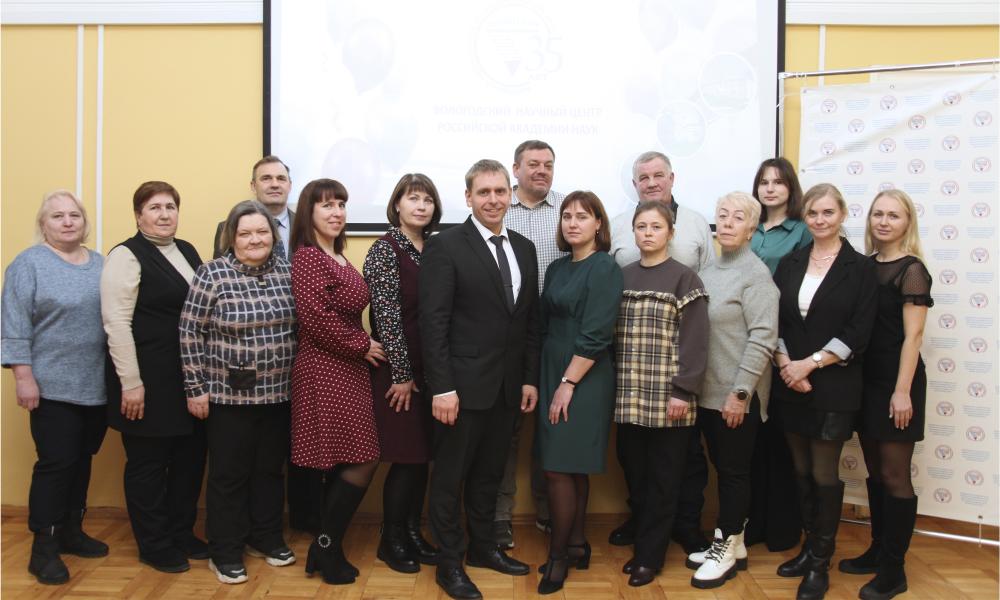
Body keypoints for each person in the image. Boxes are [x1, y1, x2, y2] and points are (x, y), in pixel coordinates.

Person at [419, 159, 540, 600]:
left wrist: (528, 379)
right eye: (483, 192)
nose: (493, 200)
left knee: (490, 475)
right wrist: (442, 388)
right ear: (468, 197)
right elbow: (433, 323)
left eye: (500, 191)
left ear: (510, 194)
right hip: (460, 390)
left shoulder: (524, 247)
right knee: (450, 479)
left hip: (507, 389)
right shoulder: (446, 246)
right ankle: (450, 563)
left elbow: (528, 321)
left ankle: (483, 548)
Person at [180, 200, 298, 585]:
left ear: (274, 235)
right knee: (229, 476)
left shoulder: (287, 271)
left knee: (269, 472)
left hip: (279, 394)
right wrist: (195, 388)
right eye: (245, 233)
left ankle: (265, 537)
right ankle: (225, 550)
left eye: (262, 232)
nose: (255, 239)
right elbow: (189, 332)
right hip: (229, 398)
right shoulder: (212, 273)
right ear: (231, 238)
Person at [771, 183, 878, 600]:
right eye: (813, 213)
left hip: (834, 385)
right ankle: (808, 547)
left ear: (842, 214)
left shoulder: (860, 268)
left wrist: (810, 364)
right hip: (790, 383)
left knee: (822, 474)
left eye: (828, 212)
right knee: (799, 472)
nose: (820, 220)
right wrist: (787, 365)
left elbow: (859, 331)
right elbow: (776, 319)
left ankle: (820, 563)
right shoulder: (791, 262)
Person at [608, 151, 713, 556]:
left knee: (669, 473)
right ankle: (644, 528)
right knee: (634, 466)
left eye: (656, 227)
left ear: (671, 233)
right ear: (632, 232)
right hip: (629, 394)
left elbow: (695, 340)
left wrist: (684, 390)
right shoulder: (622, 276)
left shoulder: (686, 278)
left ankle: (650, 555)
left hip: (669, 395)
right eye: (641, 227)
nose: (648, 233)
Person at [1, 190, 109, 585]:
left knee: (82, 461)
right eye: (57, 216)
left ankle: (71, 532)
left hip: (96, 385)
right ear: (43, 224)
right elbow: (14, 323)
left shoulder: (101, 264)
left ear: (84, 222)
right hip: (50, 387)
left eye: (74, 215)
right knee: (56, 464)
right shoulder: (28, 264)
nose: (67, 222)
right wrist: (23, 376)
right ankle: (43, 548)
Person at [101, 181, 207, 574]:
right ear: (138, 215)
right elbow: (116, 323)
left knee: (189, 461)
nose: (164, 215)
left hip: (188, 378)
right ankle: (154, 544)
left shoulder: (188, 250)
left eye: (170, 207)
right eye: (154, 207)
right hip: (146, 380)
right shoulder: (125, 256)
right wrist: (131, 383)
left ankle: (181, 533)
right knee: (148, 464)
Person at [212, 156, 318, 534]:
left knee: (280, 459)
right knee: (237, 465)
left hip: (291, 368)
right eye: (266, 178)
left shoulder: (304, 230)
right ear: (253, 185)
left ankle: (281, 529)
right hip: (237, 381)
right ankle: (233, 537)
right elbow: (209, 314)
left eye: (281, 178)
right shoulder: (225, 239)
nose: (274, 183)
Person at [288, 179, 385, 585]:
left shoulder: (339, 255)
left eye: (341, 204)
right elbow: (316, 317)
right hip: (324, 369)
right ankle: (327, 548)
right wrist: (362, 344)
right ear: (308, 212)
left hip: (348, 370)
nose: (337, 212)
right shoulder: (308, 257)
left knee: (352, 457)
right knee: (361, 457)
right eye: (327, 205)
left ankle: (324, 547)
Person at [839, 189, 932, 600]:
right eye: (878, 213)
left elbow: (913, 337)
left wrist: (902, 391)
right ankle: (877, 550)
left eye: (893, 215)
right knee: (875, 472)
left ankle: (895, 570)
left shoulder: (912, 270)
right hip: (865, 381)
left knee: (895, 476)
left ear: (907, 222)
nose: (884, 221)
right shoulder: (864, 266)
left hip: (897, 384)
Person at [685, 192, 779, 589]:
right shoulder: (708, 270)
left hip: (735, 394)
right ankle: (733, 543)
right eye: (722, 215)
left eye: (737, 217)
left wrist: (740, 393)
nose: (726, 222)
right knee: (721, 469)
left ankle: (724, 549)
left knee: (733, 473)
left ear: (752, 228)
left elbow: (763, 338)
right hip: (706, 391)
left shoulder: (756, 275)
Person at [535, 191, 622, 594]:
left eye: (582, 216)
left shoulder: (605, 267)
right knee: (569, 466)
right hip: (551, 367)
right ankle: (575, 544)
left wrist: (568, 384)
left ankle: (557, 558)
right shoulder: (557, 267)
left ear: (598, 223)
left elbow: (597, 334)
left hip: (583, 375)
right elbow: (542, 323)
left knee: (558, 466)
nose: (572, 223)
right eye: (567, 216)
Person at [363, 174, 442, 573]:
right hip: (400, 373)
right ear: (397, 204)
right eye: (413, 199)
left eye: (427, 199)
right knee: (407, 457)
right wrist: (401, 374)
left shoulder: (434, 247)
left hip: (431, 370)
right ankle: (390, 540)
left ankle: (412, 533)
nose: (421, 206)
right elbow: (387, 317)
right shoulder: (384, 249)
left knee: (422, 457)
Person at [495, 139, 567, 548]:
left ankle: (549, 511)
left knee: (551, 428)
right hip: (512, 337)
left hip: (557, 335)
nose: (542, 170)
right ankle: (500, 516)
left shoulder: (567, 210)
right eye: (533, 164)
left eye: (548, 164)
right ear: (516, 169)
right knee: (506, 432)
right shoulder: (499, 208)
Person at [745, 157, 812, 551]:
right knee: (754, 440)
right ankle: (756, 522)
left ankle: (783, 528)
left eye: (778, 182)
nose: (770, 189)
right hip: (748, 342)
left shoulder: (803, 232)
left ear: (791, 188)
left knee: (782, 442)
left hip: (785, 341)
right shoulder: (749, 229)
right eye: (763, 182)